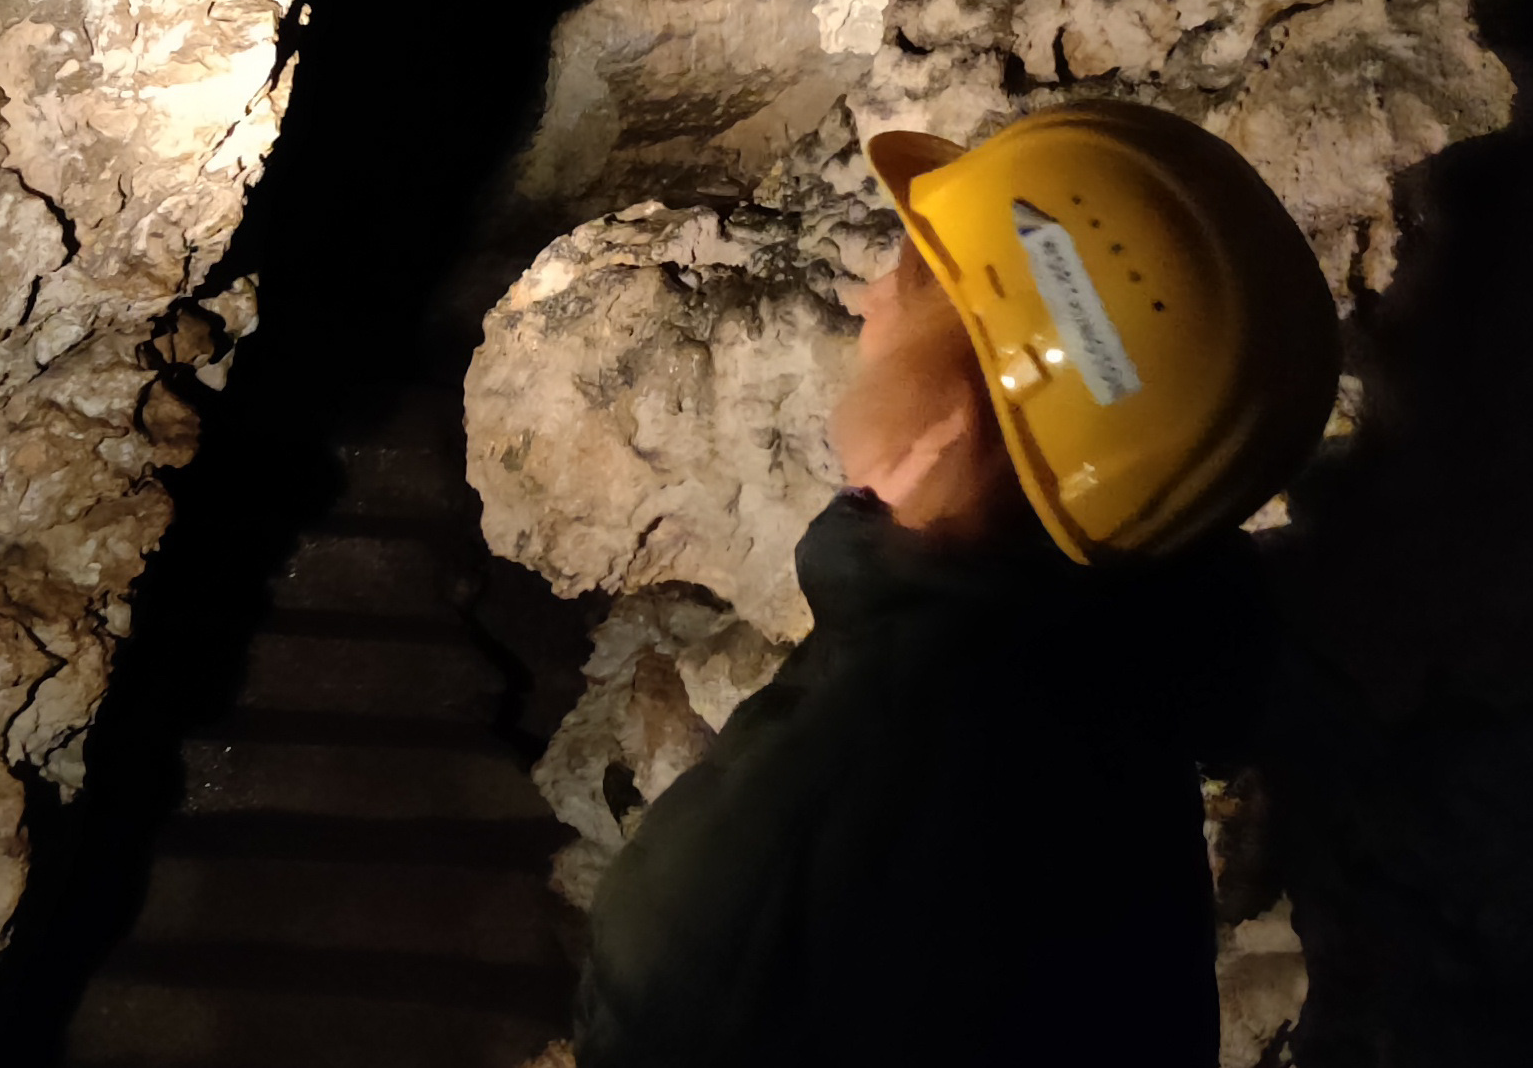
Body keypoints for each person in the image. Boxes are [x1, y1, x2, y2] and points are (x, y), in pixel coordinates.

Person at [573, 101, 1342, 1067]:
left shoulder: (808, 839)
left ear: (958, 408)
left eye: (906, 285)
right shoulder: (1099, 697)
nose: (866, 305)